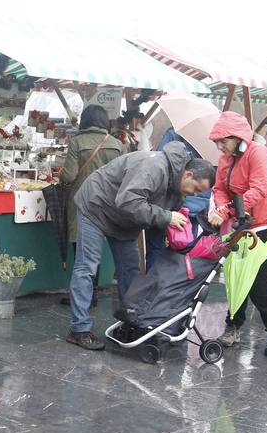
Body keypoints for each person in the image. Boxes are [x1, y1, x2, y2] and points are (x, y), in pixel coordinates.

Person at [66, 143, 215, 349]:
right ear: (187, 174)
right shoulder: (154, 167)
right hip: (97, 206)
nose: (195, 195)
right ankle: (79, 329)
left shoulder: (178, 188)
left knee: (130, 270)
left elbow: (158, 217)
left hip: (124, 221)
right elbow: (128, 201)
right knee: (87, 267)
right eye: (197, 189)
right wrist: (166, 217)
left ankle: (132, 322)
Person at [208, 111, 267, 357]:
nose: (220, 146)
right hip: (241, 225)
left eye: (224, 140)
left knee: (257, 283)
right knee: (235, 277)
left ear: (238, 137)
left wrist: (230, 211)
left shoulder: (259, 153)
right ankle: (233, 326)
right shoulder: (226, 158)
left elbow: (259, 188)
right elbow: (220, 188)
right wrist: (223, 210)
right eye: (217, 141)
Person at [59, 105, 125, 306]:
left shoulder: (77, 142)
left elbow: (69, 176)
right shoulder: (117, 144)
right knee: (96, 250)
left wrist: (60, 174)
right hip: (108, 204)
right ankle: (93, 292)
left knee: (81, 249)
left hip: (82, 201)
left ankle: (84, 296)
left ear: (84, 121)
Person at [144, 127, 214, 270]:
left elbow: (163, 162)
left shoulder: (175, 133)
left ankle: (155, 284)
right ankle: (174, 284)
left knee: (156, 246)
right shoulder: (215, 141)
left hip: (169, 202)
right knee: (185, 250)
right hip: (196, 208)